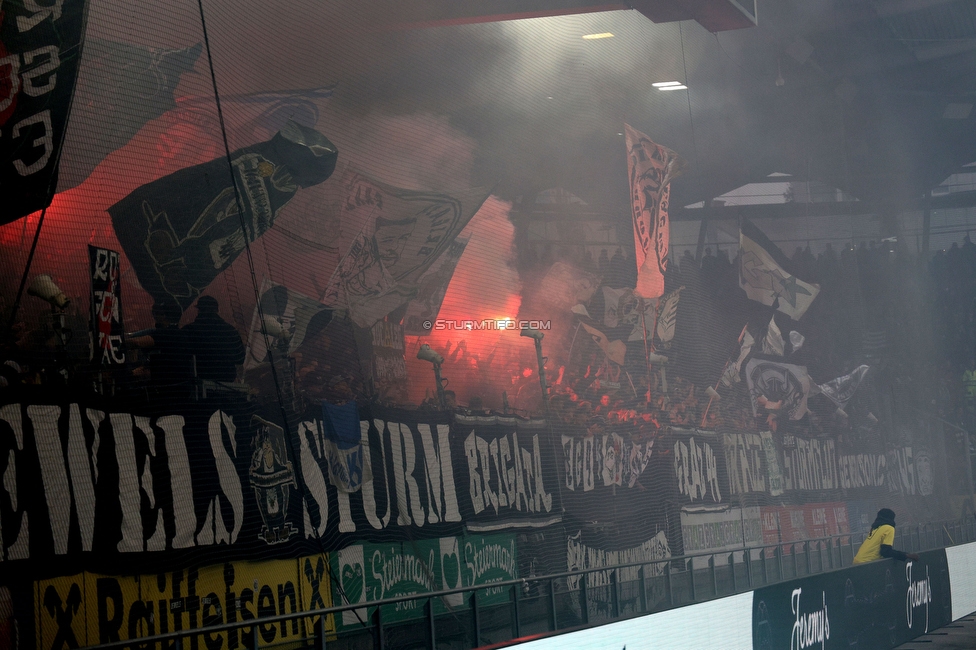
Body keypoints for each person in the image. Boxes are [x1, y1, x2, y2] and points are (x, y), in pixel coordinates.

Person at [181, 296, 245, 382]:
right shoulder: (231, 331)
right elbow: (240, 359)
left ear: (199, 310)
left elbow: (181, 358)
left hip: (196, 385)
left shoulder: (189, 330)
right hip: (226, 384)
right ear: (217, 310)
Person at [852, 508, 919, 564]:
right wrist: (907, 555)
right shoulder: (889, 528)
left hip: (857, 561)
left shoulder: (875, 528)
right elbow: (886, 552)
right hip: (867, 562)